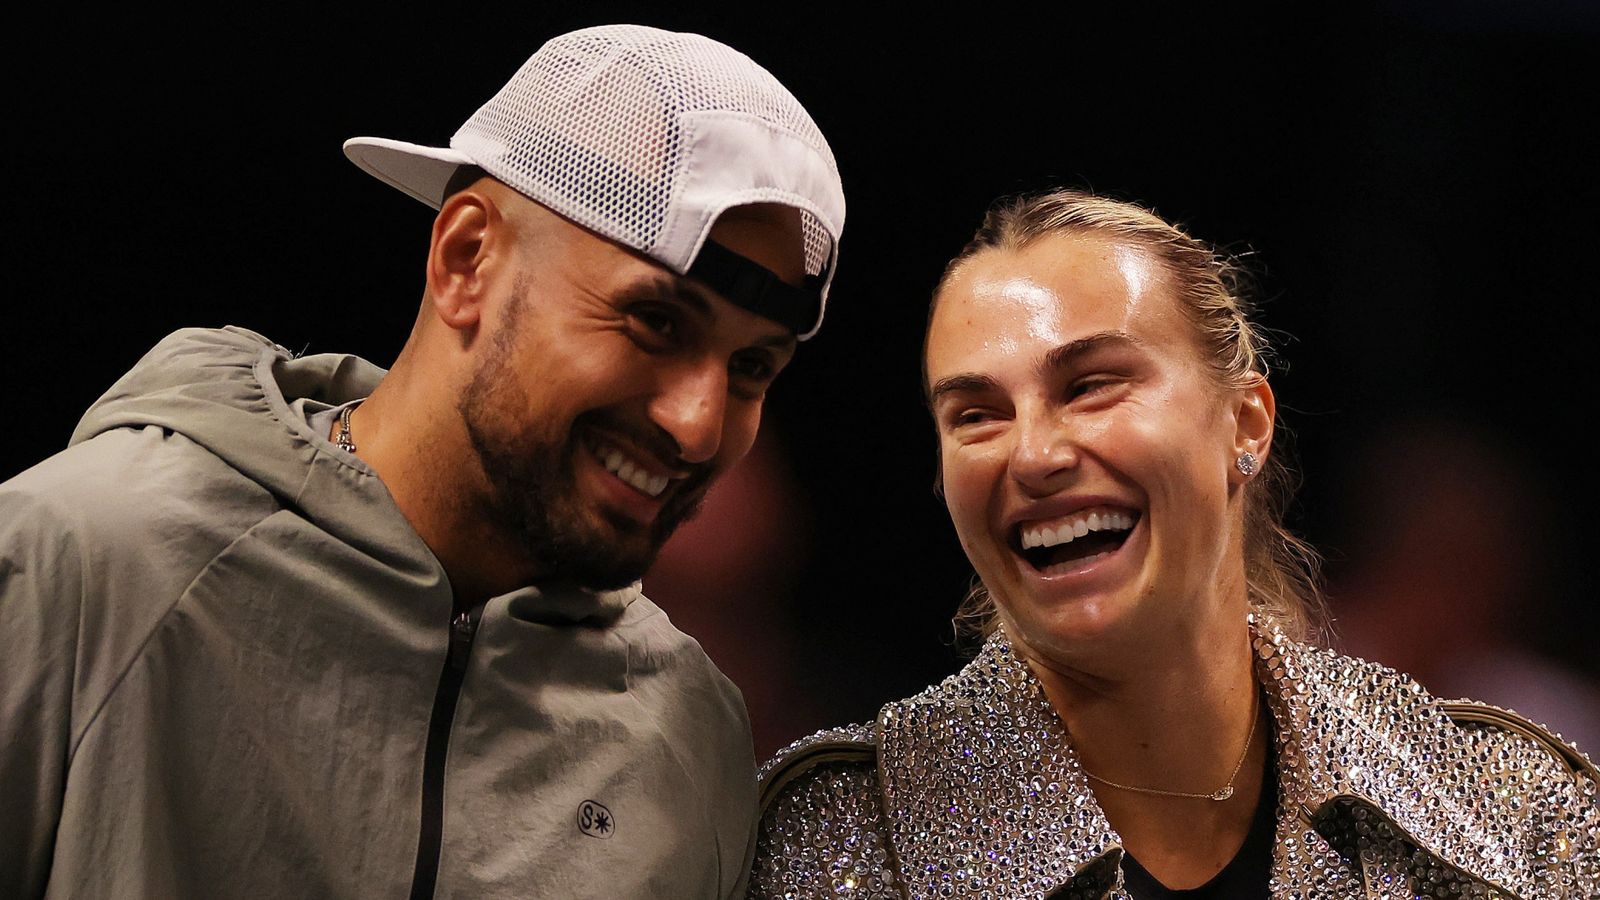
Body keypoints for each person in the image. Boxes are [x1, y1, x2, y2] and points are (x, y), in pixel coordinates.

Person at [0, 24, 844, 900]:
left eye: (753, 368)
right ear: (466, 259)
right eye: (655, 322)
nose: (700, 425)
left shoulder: (693, 734)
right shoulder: (88, 563)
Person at [750, 190, 1596, 899]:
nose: (1034, 454)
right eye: (976, 415)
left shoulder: (1516, 815)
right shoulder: (839, 843)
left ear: (1247, 423)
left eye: (1091, 386)